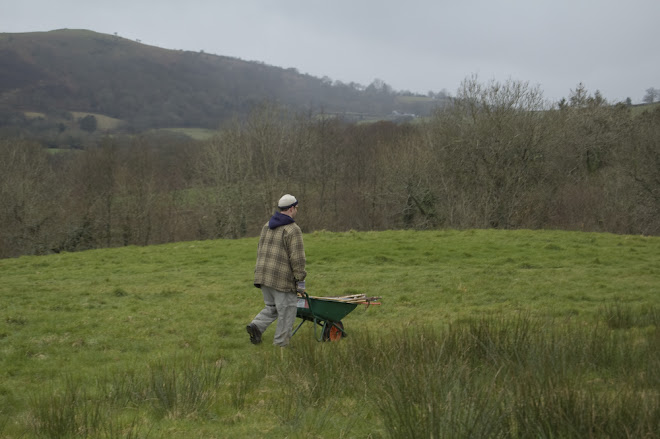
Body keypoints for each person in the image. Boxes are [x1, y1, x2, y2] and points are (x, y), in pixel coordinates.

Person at [247, 194, 307, 347]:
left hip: (263, 275)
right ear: (292, 208)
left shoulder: (267, 225)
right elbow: (298, 258)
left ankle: (256, 326)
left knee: (272, 307)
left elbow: (260, 249)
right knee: (287, 311)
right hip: (281, 279)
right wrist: (300, 280)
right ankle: (281, 346)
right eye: (297, 208)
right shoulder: (293, 229)